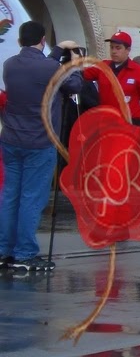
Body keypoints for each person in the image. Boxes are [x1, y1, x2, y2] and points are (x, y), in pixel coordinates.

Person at [0, 21, 82, 272]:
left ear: (19, 41)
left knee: (9, 196)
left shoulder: (9, 65)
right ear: (42, 40)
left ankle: (4, 249)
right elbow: (75, 85)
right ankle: (25, 253)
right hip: (40, 140)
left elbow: (42, 65)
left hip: (12, 139)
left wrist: (57, 51)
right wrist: (76, 63)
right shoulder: (50, 67)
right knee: (31, 198)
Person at [81, 31, 140, 145]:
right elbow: (81, 74)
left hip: (130, 126)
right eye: (111, 48)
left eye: (118, 48)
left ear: (128, 50)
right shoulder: (103, 66)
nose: (114, 51)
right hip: (106, 125)